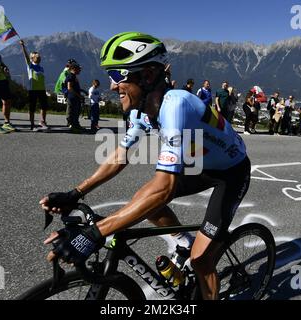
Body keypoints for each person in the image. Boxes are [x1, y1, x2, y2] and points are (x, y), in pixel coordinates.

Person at [40, 32, 250, 300]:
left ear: (147, 76)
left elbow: (164, 189)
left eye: (117, 76)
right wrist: (76, 193)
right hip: (199, 161)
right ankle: (183, 241)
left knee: (201, 261)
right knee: (144, 197)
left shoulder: (176, 104)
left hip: (231, 171)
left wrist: (94, 233)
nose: (113, 86)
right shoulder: (141, 111)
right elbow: (119, 156)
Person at [19, 40, 49, 132]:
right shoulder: (30, 66)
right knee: (32, 107)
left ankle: (42, 122)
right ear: (32, 58)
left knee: (44, 106)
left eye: (39, 56)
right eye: (36, 56)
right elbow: (26, 57)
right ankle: (32, 124)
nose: (39, 57)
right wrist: (23, 46)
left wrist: (46, 90)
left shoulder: (41, 67)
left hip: (42, 90)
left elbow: (42, 80)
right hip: (33, 90)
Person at [63, 59, 84, 132]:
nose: (80, 71)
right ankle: (71, 125)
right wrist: (78, 95)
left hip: (75, 97)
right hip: (72, 97)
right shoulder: (70, 76)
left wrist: (82, 91)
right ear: (74, 69)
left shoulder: (74, 76)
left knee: (76, 111)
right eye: (79, 69)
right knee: (72, 111)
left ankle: (76, 124)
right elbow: (70, 87)